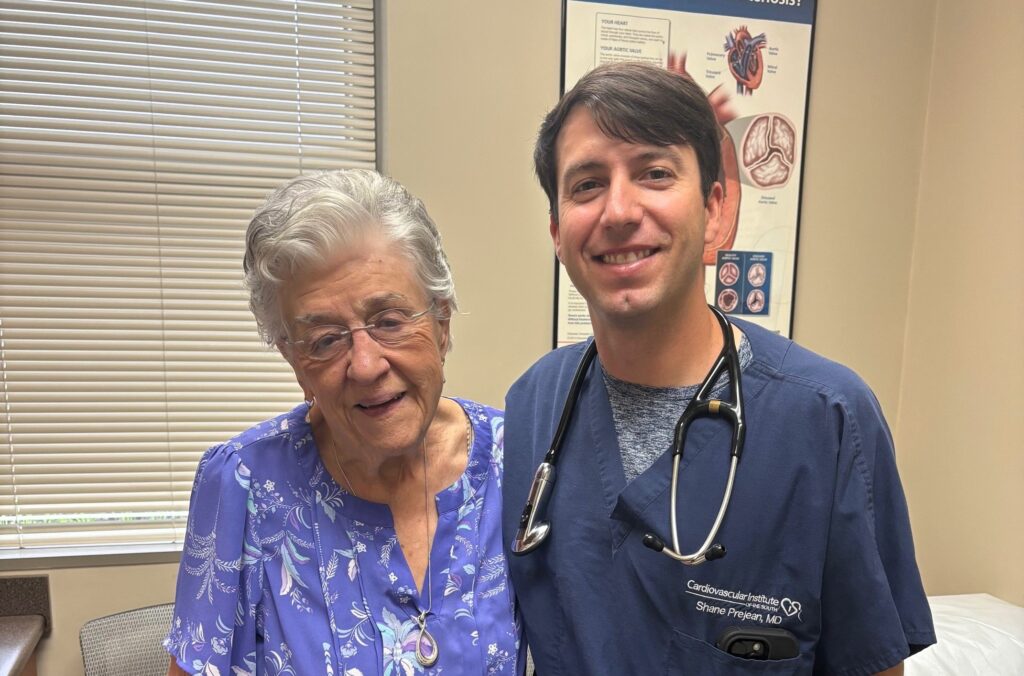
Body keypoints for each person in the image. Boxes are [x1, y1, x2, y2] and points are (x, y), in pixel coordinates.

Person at [502, 63, 935, 675]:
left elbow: (874, 664)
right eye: (587, 185)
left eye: (655, 173)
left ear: (714, 205)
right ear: (556, 230)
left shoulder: (829, 418)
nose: (619, 210)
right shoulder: (532, 404)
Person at [165, 170, 522, 675]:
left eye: (390, 321)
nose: (366, 364)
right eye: (325, 339)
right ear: (294, 360)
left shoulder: (518, 463)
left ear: (442, 323)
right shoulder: (243, 482)